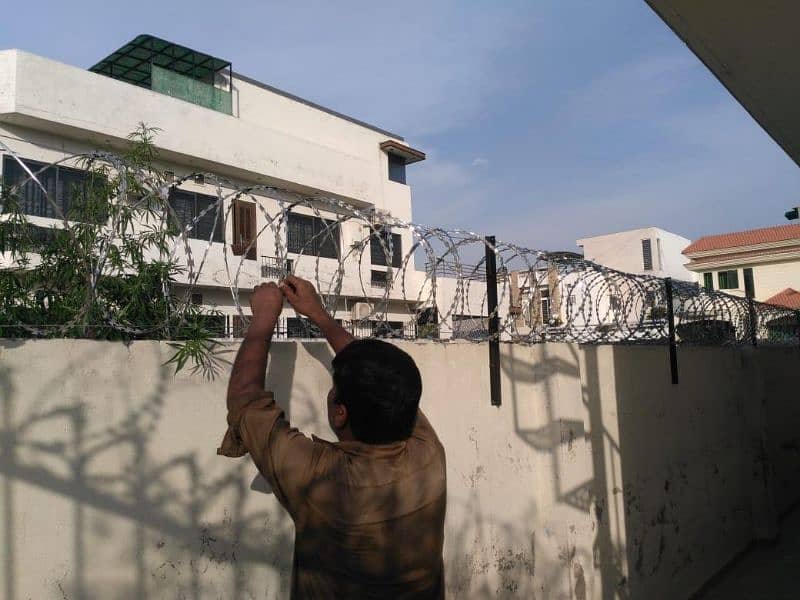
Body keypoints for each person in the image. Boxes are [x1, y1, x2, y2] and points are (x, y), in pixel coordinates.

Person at [218, 275, 446, 599]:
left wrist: (264, 317)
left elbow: (246, 403)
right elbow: (379, 380)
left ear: (340, 413)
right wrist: (320, 315)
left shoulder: (322, 480)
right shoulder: (429, 455)